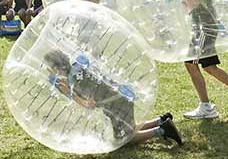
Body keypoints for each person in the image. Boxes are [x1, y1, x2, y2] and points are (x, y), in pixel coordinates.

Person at [45, 47, 182, 149]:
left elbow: (89, 105)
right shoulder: (79, 64)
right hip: (122, 95)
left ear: (58, 69)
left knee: (123, 140)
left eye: (51, 69)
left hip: (117, 103)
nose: (51, 73)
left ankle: (163, 129)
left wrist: (70, 93)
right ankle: (159, 120)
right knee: (129, 128)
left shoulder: (75, 83)